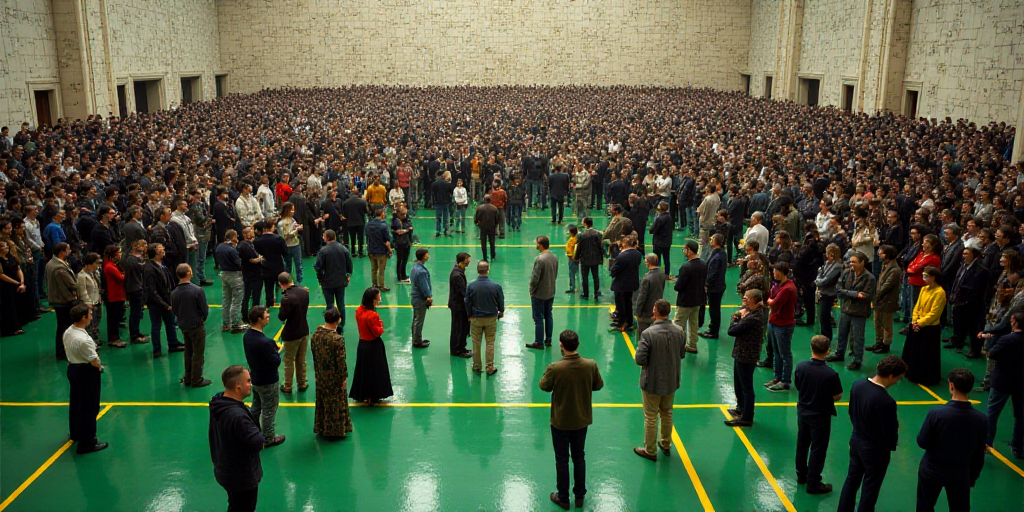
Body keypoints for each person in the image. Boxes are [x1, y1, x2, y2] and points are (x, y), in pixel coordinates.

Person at [539, 330, 604, 510]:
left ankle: (563, 498)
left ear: (561, 345)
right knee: (579, 457)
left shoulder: (555, 368)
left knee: (562, 459)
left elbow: (543, 386)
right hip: (581, 420)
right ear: (578, 344)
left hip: (560, 421)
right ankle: (580, 496)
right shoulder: (590, 365)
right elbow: (598, 385)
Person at [837, 355, 907, 512]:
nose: (897, 382)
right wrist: (890, 445)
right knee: (870, 489)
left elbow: (851, 411)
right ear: (891, 376)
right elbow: (889, 432)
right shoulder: (886, 401)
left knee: (851, 481)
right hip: (875, 451)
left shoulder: (858, 384)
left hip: (856, 441)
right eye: (898, 378)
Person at [915, 368, 988, 512]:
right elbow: (979, 453)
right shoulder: (981, 419)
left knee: (925, 506)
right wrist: (972, 477)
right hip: (960, 474)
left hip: (932, 470)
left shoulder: (936, 413)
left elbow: (922, 442)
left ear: (951, 385)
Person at [632, 299, 685, 460]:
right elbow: (681, 354)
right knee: (667, 412)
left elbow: (640, 359)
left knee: (651, 416)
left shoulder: (648, 333)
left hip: (652, 381)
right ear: (668, 311)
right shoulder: (679, 331)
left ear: (655, 311)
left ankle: (650, 450)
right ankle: (666, 443)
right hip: (671, 380)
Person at [209, 365, 265, 512]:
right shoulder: (237, 416)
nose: (251, 384)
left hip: (225, 469)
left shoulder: (218, 401)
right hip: (240, 477)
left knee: (235, 504)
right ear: (238, 385)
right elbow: (257, 441)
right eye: (248, 381)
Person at [794, 335, 844, 495]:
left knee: (802, 444)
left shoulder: (801, 367)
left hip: (803, 412)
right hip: (820, 415)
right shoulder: (830, 374)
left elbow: (798, 385)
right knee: (818, 449)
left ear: (811, 347)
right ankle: (813, 483)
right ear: (828, 350)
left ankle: (801, 475)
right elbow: (837, 395)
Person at [64, 303, 108, 454]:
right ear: (83, 317)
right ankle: (87, 442)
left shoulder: (69, 331)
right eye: (89, 314)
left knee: (76, 403)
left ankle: (76, 433)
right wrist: (99, 367)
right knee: (89, 407)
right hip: (86, 373)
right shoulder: (84, 340)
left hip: (72, 368)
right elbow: (94, 360)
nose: (91, 316)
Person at [242, 305, 286, 448]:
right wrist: (278, 350)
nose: (269, 317)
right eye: (266, 316)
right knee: (269, 410)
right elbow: (275, 361)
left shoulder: (247, 336)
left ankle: (252, 430)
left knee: (256, 406)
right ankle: (268, 438)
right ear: (259, 319)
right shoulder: (266, 343)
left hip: (255, 378)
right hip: (268, 381)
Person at [985, 308, 1023, 459]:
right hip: (1021, 381)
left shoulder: (1006, 339)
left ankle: (986, 443)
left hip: (1003, 380)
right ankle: (1018, 447)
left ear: (1014, 322)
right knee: (1020, 415)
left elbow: (993, 354)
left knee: (992, 413)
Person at [828, 251, 876, 371]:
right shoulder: (846, 273)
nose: (851, 264)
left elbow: (867, 296)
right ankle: (839, 353)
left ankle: (857, 360)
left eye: (854, 262)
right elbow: (838, 290)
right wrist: (855, 294)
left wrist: (847, 293)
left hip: (859, 312)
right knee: (841, 334)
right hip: (846, 309)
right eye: (850, 262)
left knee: (858, 337)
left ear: (862, 263)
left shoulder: (869, 278)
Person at [725, 289, 766, 427]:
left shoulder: (754, 317)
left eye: (747, 298)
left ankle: (747, 417)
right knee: (738, 383)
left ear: (755, 300)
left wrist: (735, 319)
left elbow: (732, 331)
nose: (744, 299)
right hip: (741, 353)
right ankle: (740, 407)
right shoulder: (750, 312)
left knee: (746, 386)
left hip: (747, 356)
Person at [311, 308, 354, 438]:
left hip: (320, 375)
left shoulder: (315, 335)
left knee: (322, 401)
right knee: (335, 403)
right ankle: (335, 431)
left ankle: (321, 426)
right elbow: (341, 362)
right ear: (338, 320)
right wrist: (343, 378)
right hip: (334, 377)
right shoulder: (337, 339)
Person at [350, 287, 394, 404]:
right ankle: (374, 394)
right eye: (379, 296)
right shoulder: (373, 316)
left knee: (363, 371)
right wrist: (381, 325)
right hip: (373, 346)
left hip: (363, 344)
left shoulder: (359, 311)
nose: (380, 298)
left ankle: (363, 393)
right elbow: (377, 332)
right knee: (376, 371)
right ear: (373, 299)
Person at [902, 266, 946, 385]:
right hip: (917, 324)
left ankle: (924, 377)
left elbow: (934, 313)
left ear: (934, 277)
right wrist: (915, 320)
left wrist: (920, 323)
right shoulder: (924, 289)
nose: (923, 278)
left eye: (926, 276)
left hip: (929, 328)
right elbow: (917, 306)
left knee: (926, 355)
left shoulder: (940, 293)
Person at [171, 263, 211, 388]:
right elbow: (204, 309)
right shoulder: (197, 290)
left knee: (188, 351)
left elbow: (174, 310)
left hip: (184, 325)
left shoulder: (174, 292)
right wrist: (202, 319)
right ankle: (196, 379)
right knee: (198, 352)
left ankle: (188, 376)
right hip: (196, 325)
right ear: (189, 273)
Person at [143, 243, 183, 358]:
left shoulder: (161, 265)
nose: (163, 250)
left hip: (166, 299)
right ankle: (157, 349)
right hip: (156, 303)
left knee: (170, 322)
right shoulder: (149, 269)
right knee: (156, 325)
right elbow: (152, 291)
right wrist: (165, 305)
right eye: (160, 249)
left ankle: (173, 344)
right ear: (155, 252)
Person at [466, 260, 505, 375]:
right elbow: (500, 300)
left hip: (476, 318)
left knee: (476, 342)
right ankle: (489, 367)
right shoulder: (496, 286)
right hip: (491, 318)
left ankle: (477, 366)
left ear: (478, 270)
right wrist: (501, 311)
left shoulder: (471, 286)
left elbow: (467, 302)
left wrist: (469, 314)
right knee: (490, 343)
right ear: (488, 270)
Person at [765, 262, 797, 392]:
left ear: (780, 272)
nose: (773, 273)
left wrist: (769, 300)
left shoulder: (787, 288)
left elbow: (773, 302)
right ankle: (778, 377)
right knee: (777, 352)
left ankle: (785, 381)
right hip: (775, 322)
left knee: (785, 354)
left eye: (775, 271)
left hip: (783, 325)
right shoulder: (781, 286)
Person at [277, 272, 310, 393]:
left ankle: (288, 386)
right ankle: (302, 383)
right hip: (304, 330)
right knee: (301, 359)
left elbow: (282, 316)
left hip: (291, 333)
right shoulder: (304, 292)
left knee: (289, 361)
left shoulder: (287, 298)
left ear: (281, 284)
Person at [314, 229, 353, 330]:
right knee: (341, 304)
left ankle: (331, 325)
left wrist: (320, 279)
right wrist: (347, 277)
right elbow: (349, 264)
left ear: (327, 237)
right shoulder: (343, 249)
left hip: (327, 282)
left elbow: (318, 267)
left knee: (330, 305)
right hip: (340, 282)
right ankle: (341, 325)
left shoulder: (323, 251)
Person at [673, 241, 706, 354]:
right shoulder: (703, 265)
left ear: (690, 251)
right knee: (693, 324)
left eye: (685, 249)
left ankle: (677, 345)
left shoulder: (686, 267)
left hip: (685, 301)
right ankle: (692, 344)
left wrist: (676, 282)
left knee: (678, 324)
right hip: (698, 300)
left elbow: (678, 286)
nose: (684, 251)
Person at [46, 242, 78, 360]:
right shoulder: (59, 268)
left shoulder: (52, 263)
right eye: (68, 250)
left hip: (58, 299)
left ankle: (63, 349)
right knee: (64, 327)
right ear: (61, 252)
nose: (70, 251)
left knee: (62, 326)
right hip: (63, 300)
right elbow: (71, 284)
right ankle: (62, 351)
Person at [869, 245, 902, 354]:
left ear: (888, 255)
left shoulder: (895, 270)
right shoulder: (885, 265)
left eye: (881, 252)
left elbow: (886, 286)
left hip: (887, 301)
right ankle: (878, 342)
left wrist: (876, 296)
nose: (879, 254)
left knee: (886, 325)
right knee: (877, 323)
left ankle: (885, 345)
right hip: (879, 300)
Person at [527, 235, 558, 349]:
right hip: (550, 291)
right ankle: (548, 339)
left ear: (540, 245)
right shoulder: (554, 257)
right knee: (548, 315)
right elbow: (555, 274)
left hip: (539, 294)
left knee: (538, 318)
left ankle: (539, 342)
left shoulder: (540, 259)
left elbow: (535, 278)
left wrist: (532, 290)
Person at [216, 229, 248, 333]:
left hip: (224, 274)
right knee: (237, 300)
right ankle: (236, 323)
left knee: (226, 300)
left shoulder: (219, 247)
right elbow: (239, 263)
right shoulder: (231, 250)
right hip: (235, 276)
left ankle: (226, 323)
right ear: (233, 237)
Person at [609, 233, 642, 332]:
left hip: (621, 284)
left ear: (625, 244)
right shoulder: (638, 254)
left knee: (621, 304)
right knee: (628, 303)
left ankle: (621, 323)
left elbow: (614, 270)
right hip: (631, 283)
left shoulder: (623, 256)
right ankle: (629, 322)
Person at [253, 221, 287, 307]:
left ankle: (269, 302)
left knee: (268, 286)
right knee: (282, 284)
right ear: (272, 228)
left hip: (265, 267)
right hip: (278, 266)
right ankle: (283, 301)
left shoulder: (257, 241)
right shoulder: (279, 239)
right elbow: (285, 252)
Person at [122, 238, 149, 344]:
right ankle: (134, 335)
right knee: (135, 313)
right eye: (143, 246)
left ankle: (136, 332)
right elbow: (142, 269)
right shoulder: (134, 260)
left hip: (135, 287)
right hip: (134, 288)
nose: (145, 248)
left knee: (136, 313)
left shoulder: (131, 259)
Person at [700, 233, 727, 339]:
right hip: (718, 286)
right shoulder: (720, 253)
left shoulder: (717, 256)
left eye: (713, 239)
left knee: (714, 309)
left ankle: (713, 331)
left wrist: (707, 284)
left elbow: (713, 273)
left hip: (715, 287)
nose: (710, 240)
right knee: (715, 308)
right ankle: (713, 328)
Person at [634, 253, 667, 335]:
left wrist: (637, 311)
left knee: (643, 334)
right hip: (657, 309)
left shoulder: (647, 278)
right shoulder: (662, 274)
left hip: (646, 311)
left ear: (647, 262)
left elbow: (642, 296)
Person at [76, 252, 104, 345]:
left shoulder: (93, 273)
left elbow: (96, 287)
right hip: (89, 304)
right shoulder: (81, 276)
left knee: (95, 322)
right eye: (96, 263)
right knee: (89, 325)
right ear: (89, 264)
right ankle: (91, 343)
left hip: (96, 302)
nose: (97, 266)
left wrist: (99, 297)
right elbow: (83, 291)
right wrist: (88, 303)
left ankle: (95, 339)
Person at [448, 252, 472, 358]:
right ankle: (456, 350)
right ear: (463, 261)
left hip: (459, 305)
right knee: (458, 328)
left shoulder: (459, 271)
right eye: (468, 260)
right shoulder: (457, 275)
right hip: (458, 306)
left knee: (463, 327)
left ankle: (462, 347)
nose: (469, 262)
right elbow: (463, 292)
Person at [575, 217, 604, 299]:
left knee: (585, 277)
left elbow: (579, 247)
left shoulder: (582, 235)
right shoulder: (597, 234)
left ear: (585, 223)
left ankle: (586, 293)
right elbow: (600, 247)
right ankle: (596, 293)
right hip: (595, 259)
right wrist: (601, 258)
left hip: (585, 259)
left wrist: (576, 257)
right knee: (595, 276)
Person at [365, 207, 393, 291]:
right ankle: (381, 285)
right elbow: (387, 241)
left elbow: (367, 236)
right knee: (381, 270)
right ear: (382, 214)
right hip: (381, 251)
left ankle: (374, 284)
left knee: (374, 269)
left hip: (371, 250)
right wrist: (390, 250)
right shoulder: (383, 226)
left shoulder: (368, 225)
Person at [409, 248, 432, 349]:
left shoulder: (415, 267)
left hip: (415, 297)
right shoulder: (421, 271)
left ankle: (415, 339)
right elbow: (424, 286)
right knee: (419, 321)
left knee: (416, 319)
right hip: (420, 299)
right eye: (427, 254)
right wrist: (428, 296)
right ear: (424, 256)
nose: (428, 256)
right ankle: (417, 341)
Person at [277, 202, 304, 284]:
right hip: (287, 246)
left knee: (299, 265)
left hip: (296, 244)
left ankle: (299, 282)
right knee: (287, 267)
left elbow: (295, 226)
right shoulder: (281, 223)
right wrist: (296, 230)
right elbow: (284, 236)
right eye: (292, 209)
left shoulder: (292, 220)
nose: (293, 211)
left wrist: (298, 227)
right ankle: (287, 283)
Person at [390, 206, 413, 283]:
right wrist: (399, 232)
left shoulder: (407, 220)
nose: (404, 216)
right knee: (400, 260)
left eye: (405, 214)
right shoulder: (395, 221)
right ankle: (400, 276)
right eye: (402, 214)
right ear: (398, 214)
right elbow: (393, 230)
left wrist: (406, 231)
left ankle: (403, 275)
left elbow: (410, 227)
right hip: (399, 243)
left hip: (407, 242)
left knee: (405, 259)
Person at [474, 194, 500, 262]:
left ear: (484, 200)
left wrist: (478, 224)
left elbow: (476, 218)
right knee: (492, 242)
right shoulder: (494, 208)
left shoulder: (480, 208)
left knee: (483, 242)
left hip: (483, 227)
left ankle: (484, 257)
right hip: (492, 227)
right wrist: (495, 225)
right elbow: (497, 219)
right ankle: (493, 255)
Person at [649, 202, 673, 273]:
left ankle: (657, 273)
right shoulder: (669, 217)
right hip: (667, 241)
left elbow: (653, 229)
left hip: (658, 242)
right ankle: (667, 273)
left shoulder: (659, 218)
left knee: (657, 258)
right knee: (666, 258)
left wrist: (651, 230)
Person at [565, 225, 579, 294]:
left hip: (573, 260)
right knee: (578, 275)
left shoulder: (571, 240)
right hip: (578, 259)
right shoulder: (578, 238)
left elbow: (569, 252)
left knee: (572, 274)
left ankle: (572, 288)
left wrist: (573, 259)